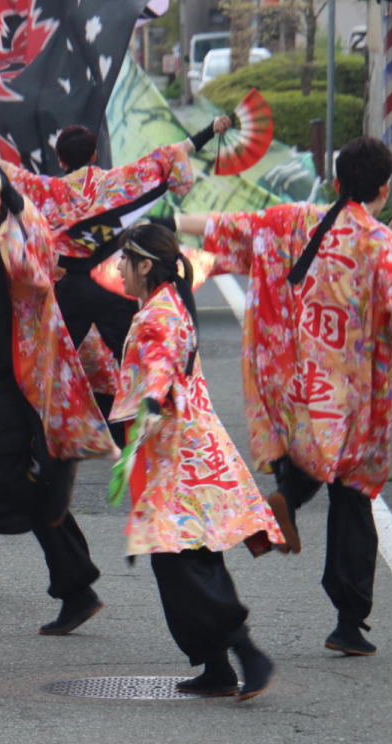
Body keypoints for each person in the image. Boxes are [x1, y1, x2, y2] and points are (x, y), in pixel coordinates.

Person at [172, 136, 392, 657]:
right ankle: (348, 621)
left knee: (302, 450)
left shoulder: (293, 220)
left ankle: (287, 498)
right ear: (384, 189)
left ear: (338, 180)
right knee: (351, 491)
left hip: (290, 381)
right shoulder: (380, 244)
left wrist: (171, 224)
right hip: (349, 395)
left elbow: (231, 229)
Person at [0, 159, 117, 634]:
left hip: (27, 387)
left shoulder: (19, 234)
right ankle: (73, 585)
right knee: (3, 483)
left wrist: (4, 219)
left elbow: (37, 276)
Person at [111, 222, 279, 699]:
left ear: (145, 265)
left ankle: (247, 653)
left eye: (126, 259)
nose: (120, 268)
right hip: (184, 452)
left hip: (180, 460)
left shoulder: (158, 315)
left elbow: (161, 366)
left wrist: (148, 405)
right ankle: (218, 668)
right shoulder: (165, 306)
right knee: (191, 562)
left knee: (183, 566)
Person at [0, 118, 231, 374]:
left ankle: (39, 413)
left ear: (61, 161)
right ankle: (149, 407)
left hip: (72, 288)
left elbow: (10, 177)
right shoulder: (118, 182)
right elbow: (171, 154)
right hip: (114, 283)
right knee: (134, 359)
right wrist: (209, 130)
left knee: (49, 364)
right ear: (95, 154)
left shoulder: (49, 190)